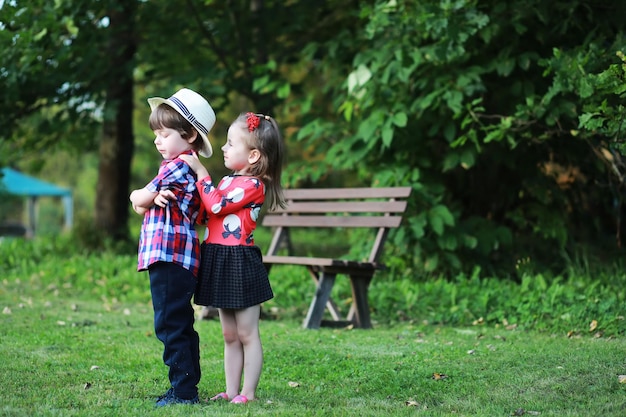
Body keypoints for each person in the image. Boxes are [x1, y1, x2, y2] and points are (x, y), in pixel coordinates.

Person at [179, 111, 286, 404]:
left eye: (229, 143)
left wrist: (202, 175)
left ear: (253, 155)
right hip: (218, 258)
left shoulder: (254, 186)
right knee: (229, 334)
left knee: (247, 332)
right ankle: (231, 390)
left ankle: (248, 393)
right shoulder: (226, 182)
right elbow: (207, 212)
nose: (223, 148)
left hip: (240, 262)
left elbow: (215, 207)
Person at [129, 88, 215, 407]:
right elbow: (143, 205)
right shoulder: (185, 168)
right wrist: (147, 200)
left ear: (189, 134)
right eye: (156, 134)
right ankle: (185, 386)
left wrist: (142, 197)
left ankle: (183, 392)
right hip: (180, 258)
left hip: (169, 255)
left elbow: (137, 200)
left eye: (164, 133)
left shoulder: (175, 167)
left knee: (170, 324)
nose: (157, 140)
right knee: (180, 322)